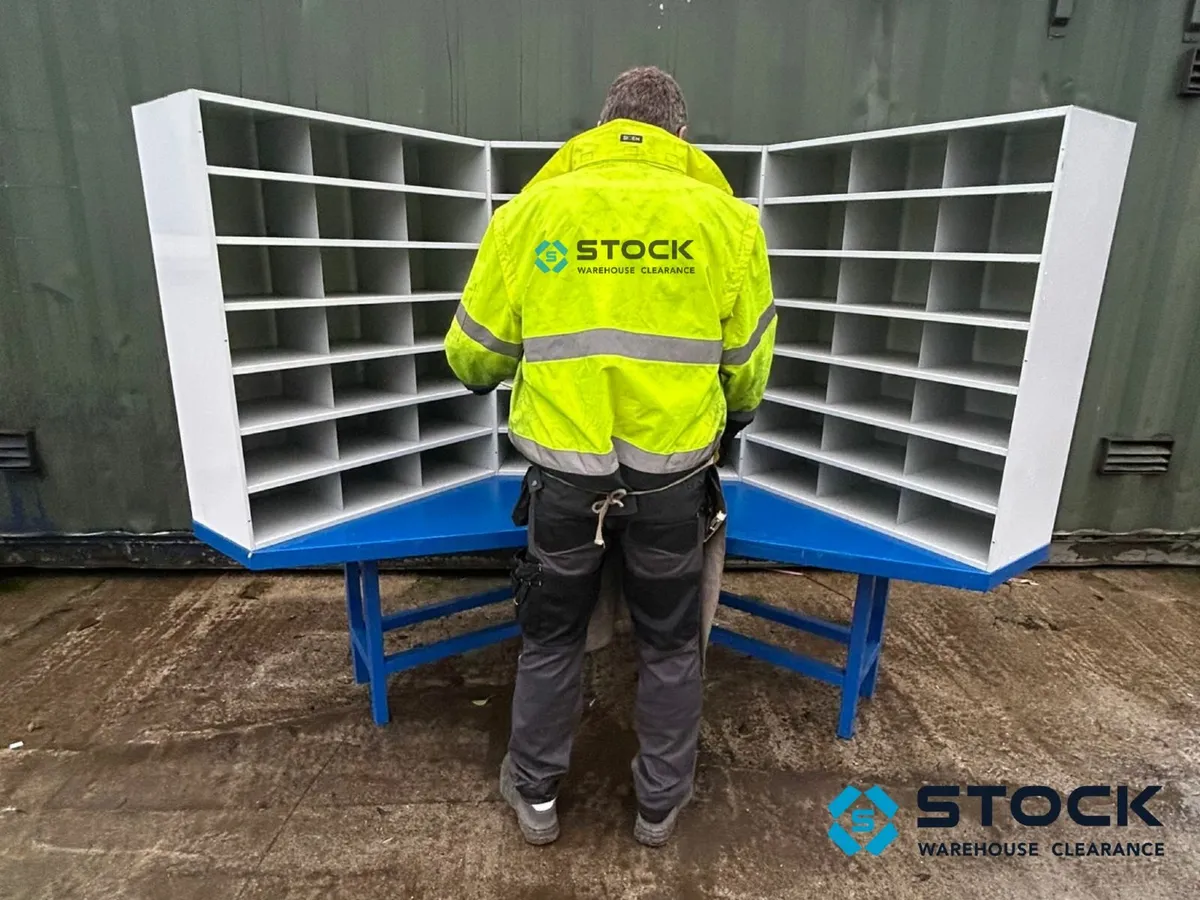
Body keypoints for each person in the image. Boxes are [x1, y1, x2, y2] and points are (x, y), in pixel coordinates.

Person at [445, 66, 775, 847]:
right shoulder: (729, 222)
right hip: (674, 484)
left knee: (552, 637)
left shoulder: (527, 216)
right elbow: (748, 368)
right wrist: (732, 417)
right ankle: (659, 806)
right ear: (680, 137)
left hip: (564, 483)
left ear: (600, 127)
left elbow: (472, 359)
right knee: (669, 646)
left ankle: (535, 795)